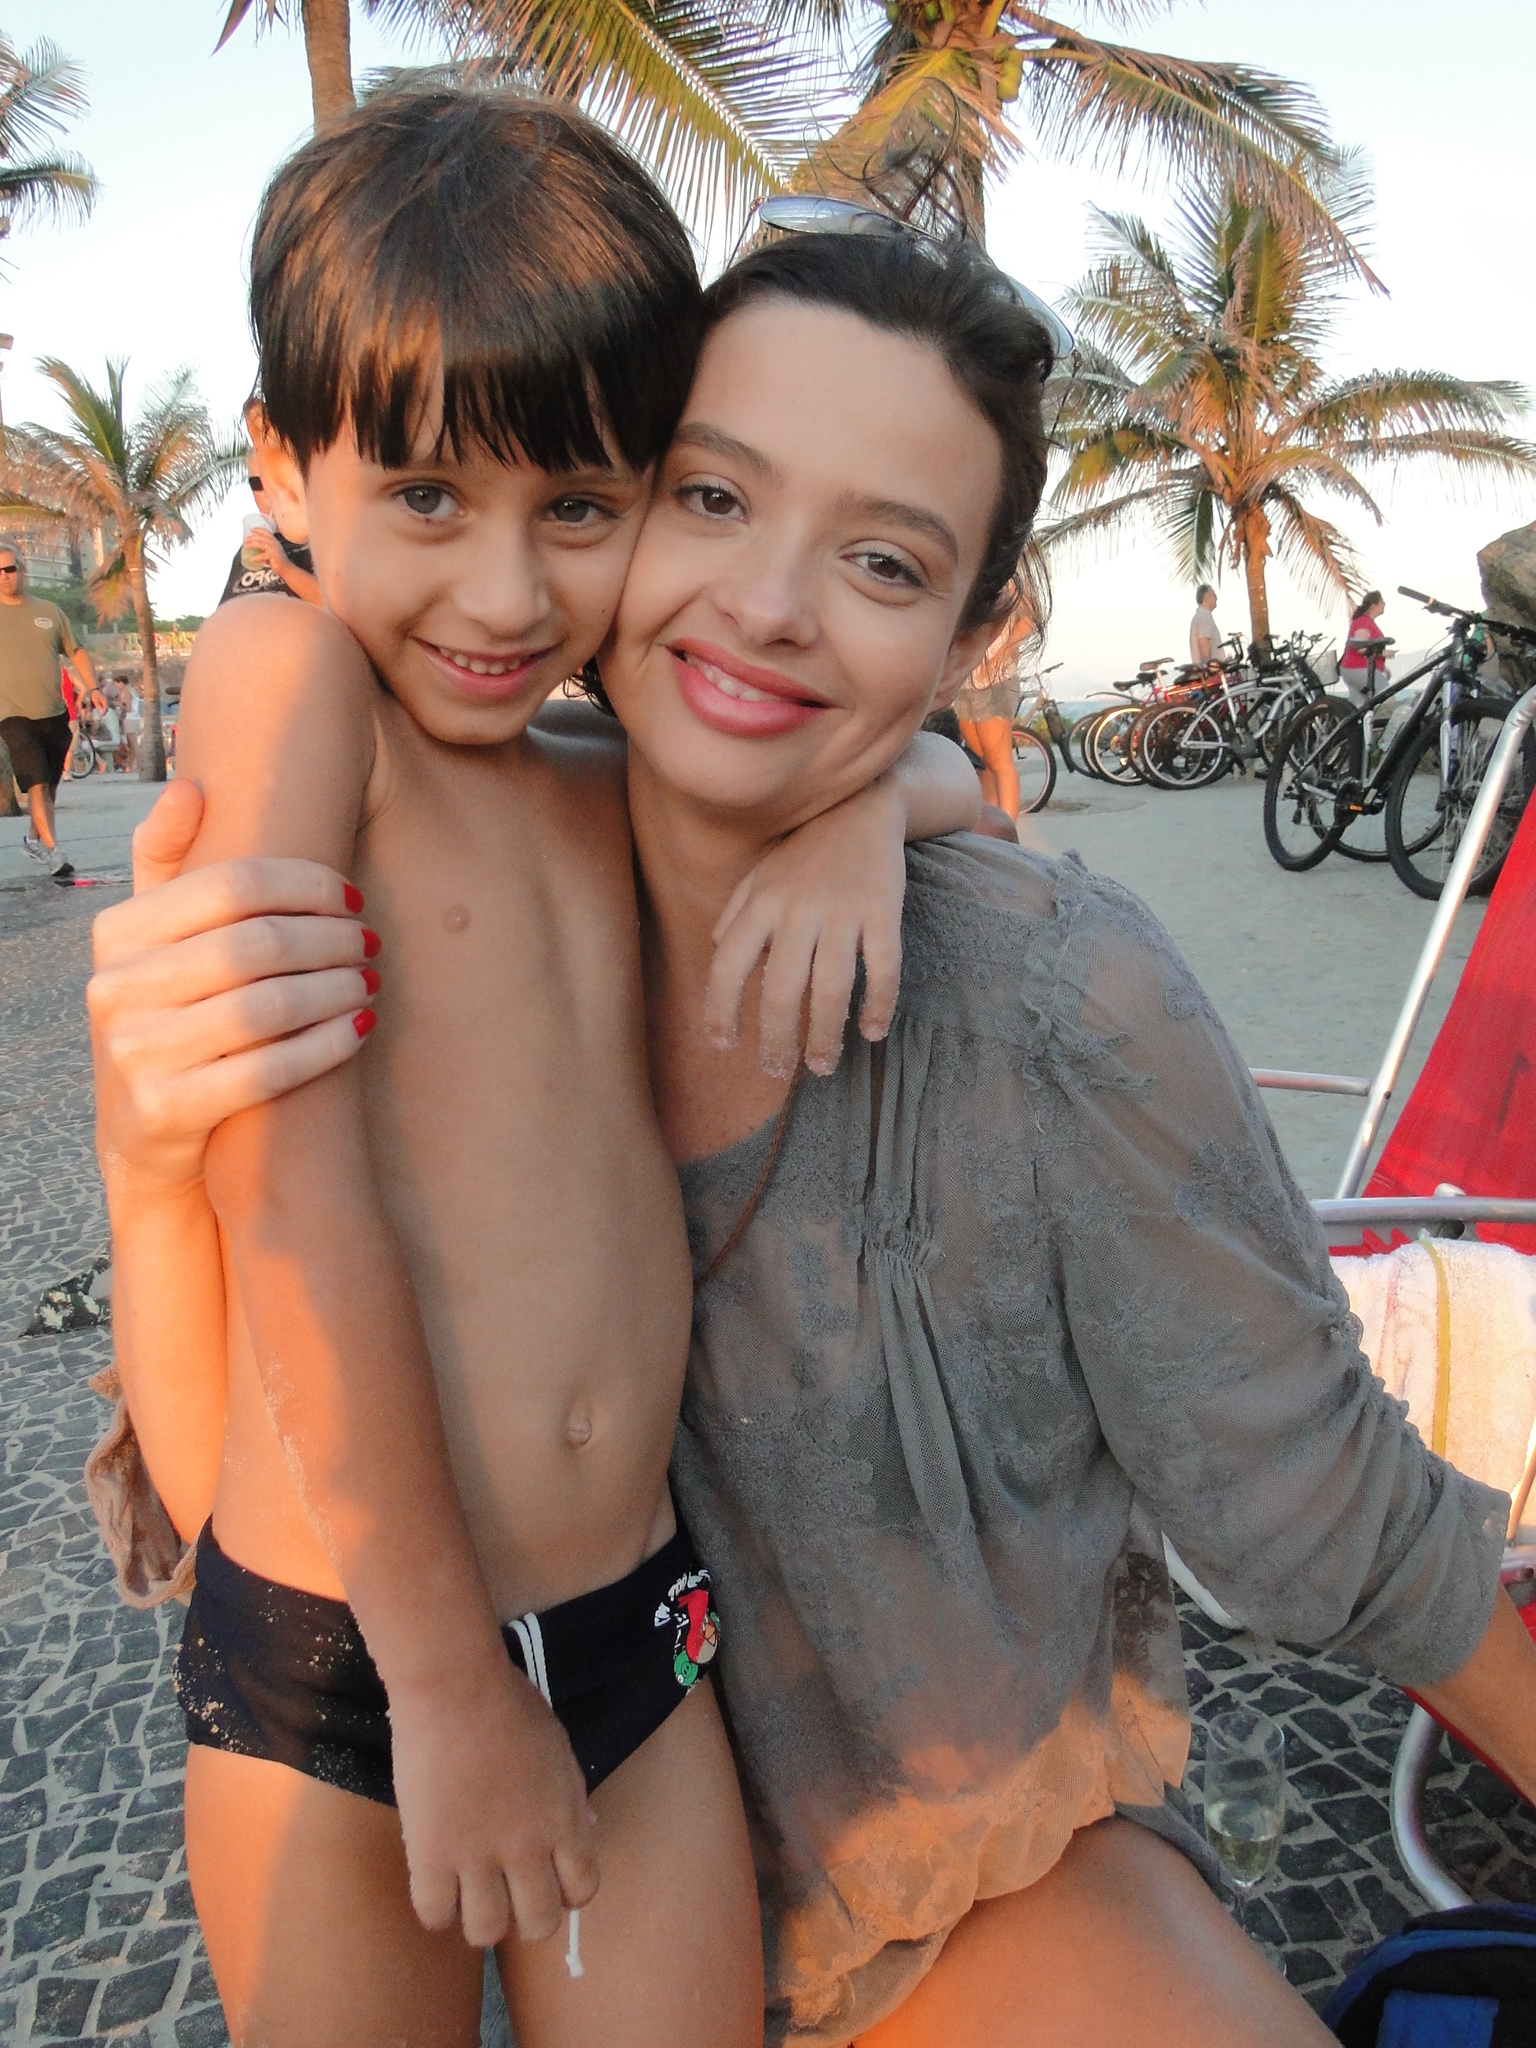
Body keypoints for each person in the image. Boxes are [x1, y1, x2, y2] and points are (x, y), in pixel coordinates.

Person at [89, 220, 1536, 2048]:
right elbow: (226, 1473)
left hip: (933, 1884)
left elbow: (1329, 1500)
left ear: (974, 631)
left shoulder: (1037, 989)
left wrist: (883, 802)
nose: (770, 602)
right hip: (480, 1778)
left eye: (881, 560)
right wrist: (148, 1155)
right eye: (710, 496)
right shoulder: (469, 872)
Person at [85, 90, 978, 2048]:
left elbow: (934, 765)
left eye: (577, 508)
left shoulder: (596, 773)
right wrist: (446, 1683)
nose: (505, 598)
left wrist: (854, 818)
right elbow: (289, 1180)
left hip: (636, 1622)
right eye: (428, 497)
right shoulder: (290, 680)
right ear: (282, 467)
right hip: (357, 1659)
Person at [0, 542, 95, 875]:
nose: (3, 576)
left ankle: (33, 840)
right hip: (11, 714)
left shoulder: (50, 612)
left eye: (9, 569)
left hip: (53, 712)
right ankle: (55, 852)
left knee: (50, 784)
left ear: (22, 569)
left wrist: (93, 687)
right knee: (37, 782)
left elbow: (76, 651)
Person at [217, 414, 324, 608]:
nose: (267, 492)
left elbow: (344, 609)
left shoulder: (323, 542)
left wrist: (284, 568)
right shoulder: (247, 549)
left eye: (274, 480)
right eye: (257, 483)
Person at [953, 616, 1025, 825]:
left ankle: (1007, 834)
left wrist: (997, 659)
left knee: (1000, 763)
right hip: (967, 678)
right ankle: (990, 827)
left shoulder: (1014, 592)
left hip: (996, 679)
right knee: (982, 760)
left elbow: (1028, 620)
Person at [1341, 588, 1391, 703]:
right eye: (1382, 602)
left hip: (1357, 669)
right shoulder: (1363, 622)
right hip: (1359, 668)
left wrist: (1382, 667)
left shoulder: (1366, 621)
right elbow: (1360, 647)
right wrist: (1383, 653)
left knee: (1360, 706)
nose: (1384, 604)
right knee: (1388, 699)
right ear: (1374, 605)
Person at [1189, 581, 1222, 666]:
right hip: (1212, 669)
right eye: (1214, 595)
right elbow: (1204, 642)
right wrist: (1208, 666)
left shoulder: (1200, 615)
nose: (1216, 598)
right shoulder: (1205, 615)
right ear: (1207, 596)